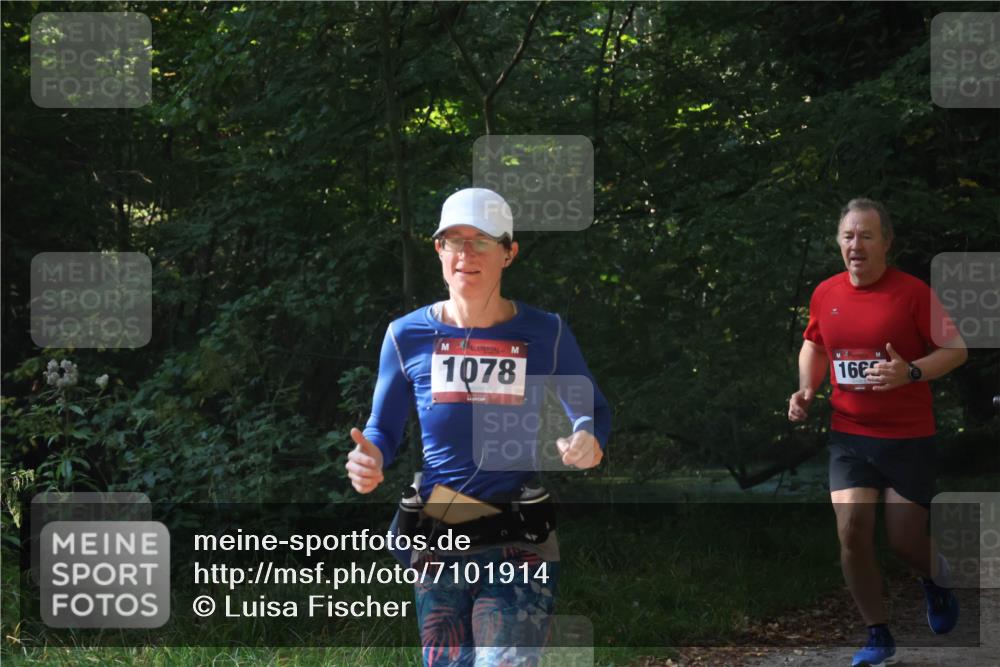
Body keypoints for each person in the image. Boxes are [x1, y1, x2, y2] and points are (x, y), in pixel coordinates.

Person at [346, 187, 612, 667]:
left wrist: (588, 438)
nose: (466, 254)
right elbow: (381, 430)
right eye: (454, 241)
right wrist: (371, 459)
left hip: (518, 538)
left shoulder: (544, 331)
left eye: (482, 241)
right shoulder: (405, 336)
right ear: (439, 250)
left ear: (509, 252)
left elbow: (591, 409)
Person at [788, 198, 968, 667]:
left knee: (906, 539)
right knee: (851, 532)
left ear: (886, 243)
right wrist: (806, 389)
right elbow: (814, 345)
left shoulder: (911, 293)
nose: (856, 245)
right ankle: (877, 635)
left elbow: (956, 350)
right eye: (848, 236)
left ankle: (936, 579)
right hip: (849, 435)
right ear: (838, 242)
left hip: (908, 436)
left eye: (867, 236)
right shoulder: (826, 293)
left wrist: (910, 373)